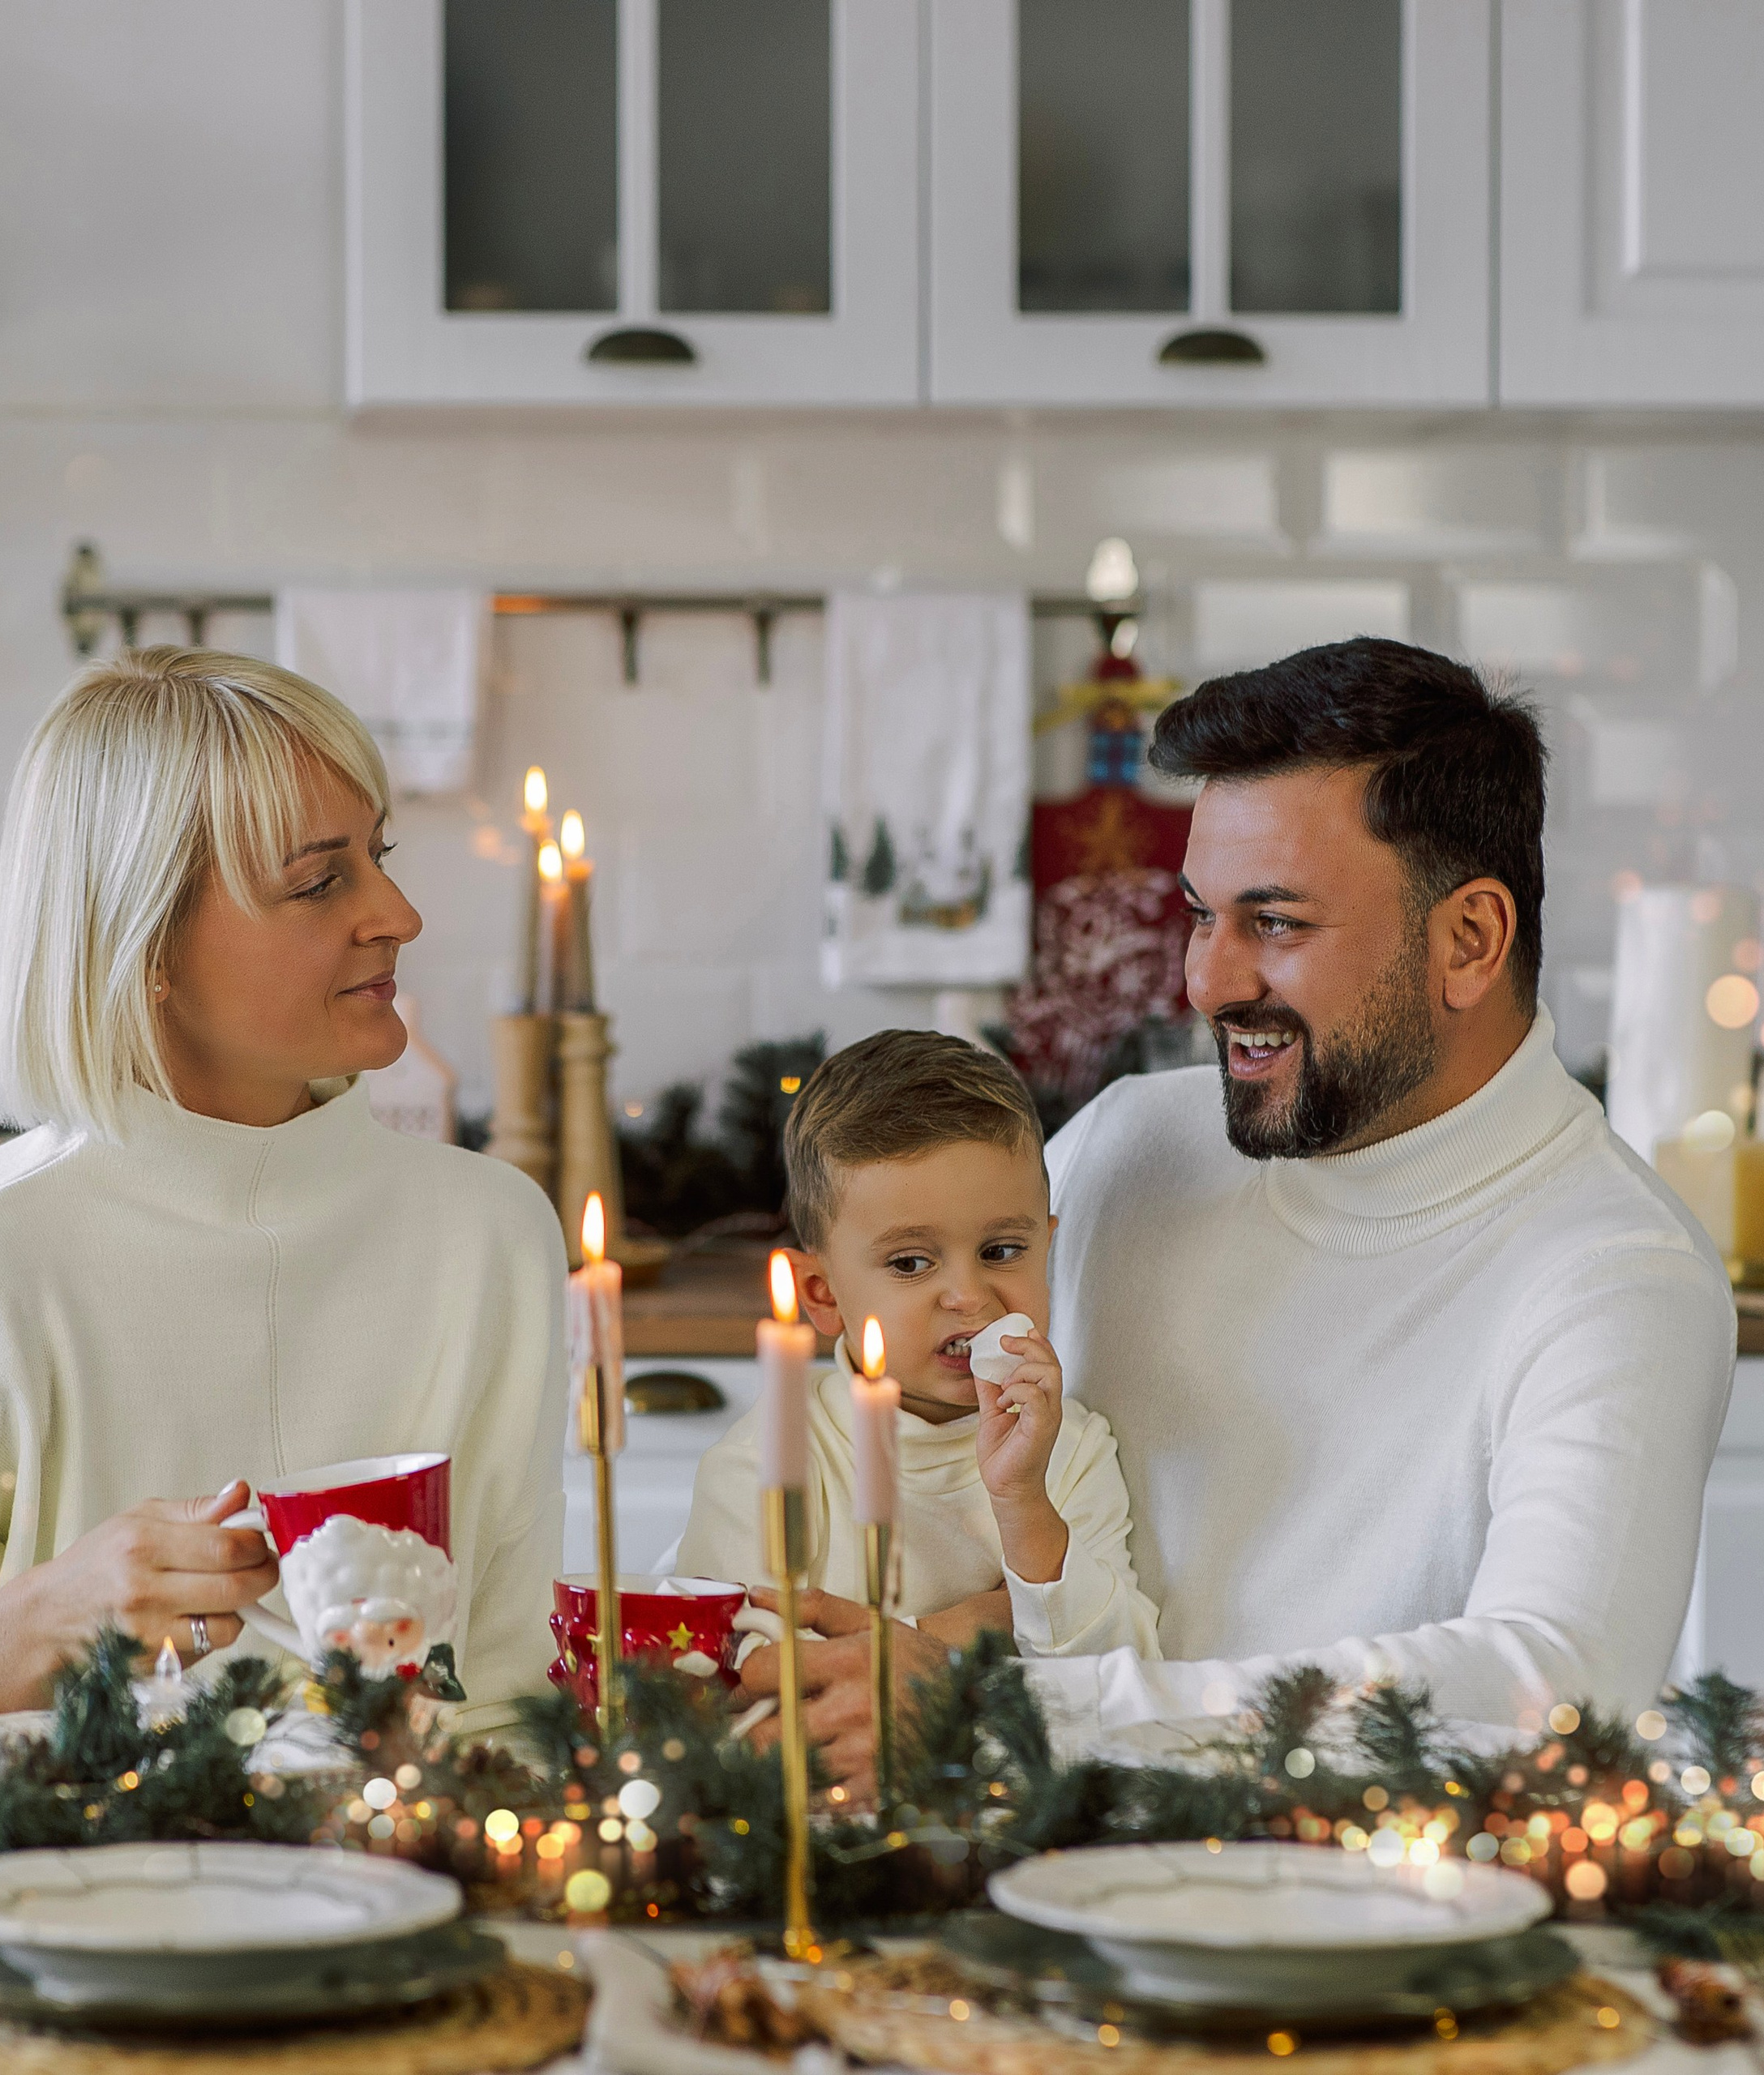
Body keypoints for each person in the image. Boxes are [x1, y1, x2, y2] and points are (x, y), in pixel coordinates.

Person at [739, 639, 1734, 1793]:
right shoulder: (1130, 1149)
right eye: (1202, 915)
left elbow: (1554, 1686)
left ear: (1469, 940)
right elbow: (957, 1478)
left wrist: (1011, 1709)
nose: (1207, 981)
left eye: (1277, 923)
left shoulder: (1615, 1274)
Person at [0, 648, 569, 1780]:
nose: (399, 913)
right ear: (145, 944)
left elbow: (505, 1702)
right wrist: (27, 1631)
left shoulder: (492, 1238)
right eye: (318, 880)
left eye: (378, 858)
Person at [676, 1031, 1158, 1662]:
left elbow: (1125, 1667)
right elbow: (727, 1667)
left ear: (1048, 1247)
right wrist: (976, 1624)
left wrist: (1023, 1504)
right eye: (909, 1262)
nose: (968, 1296)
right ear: (821, 1294)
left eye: (1002, 1251)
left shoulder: (1071, 1453)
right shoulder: (768, 1462)